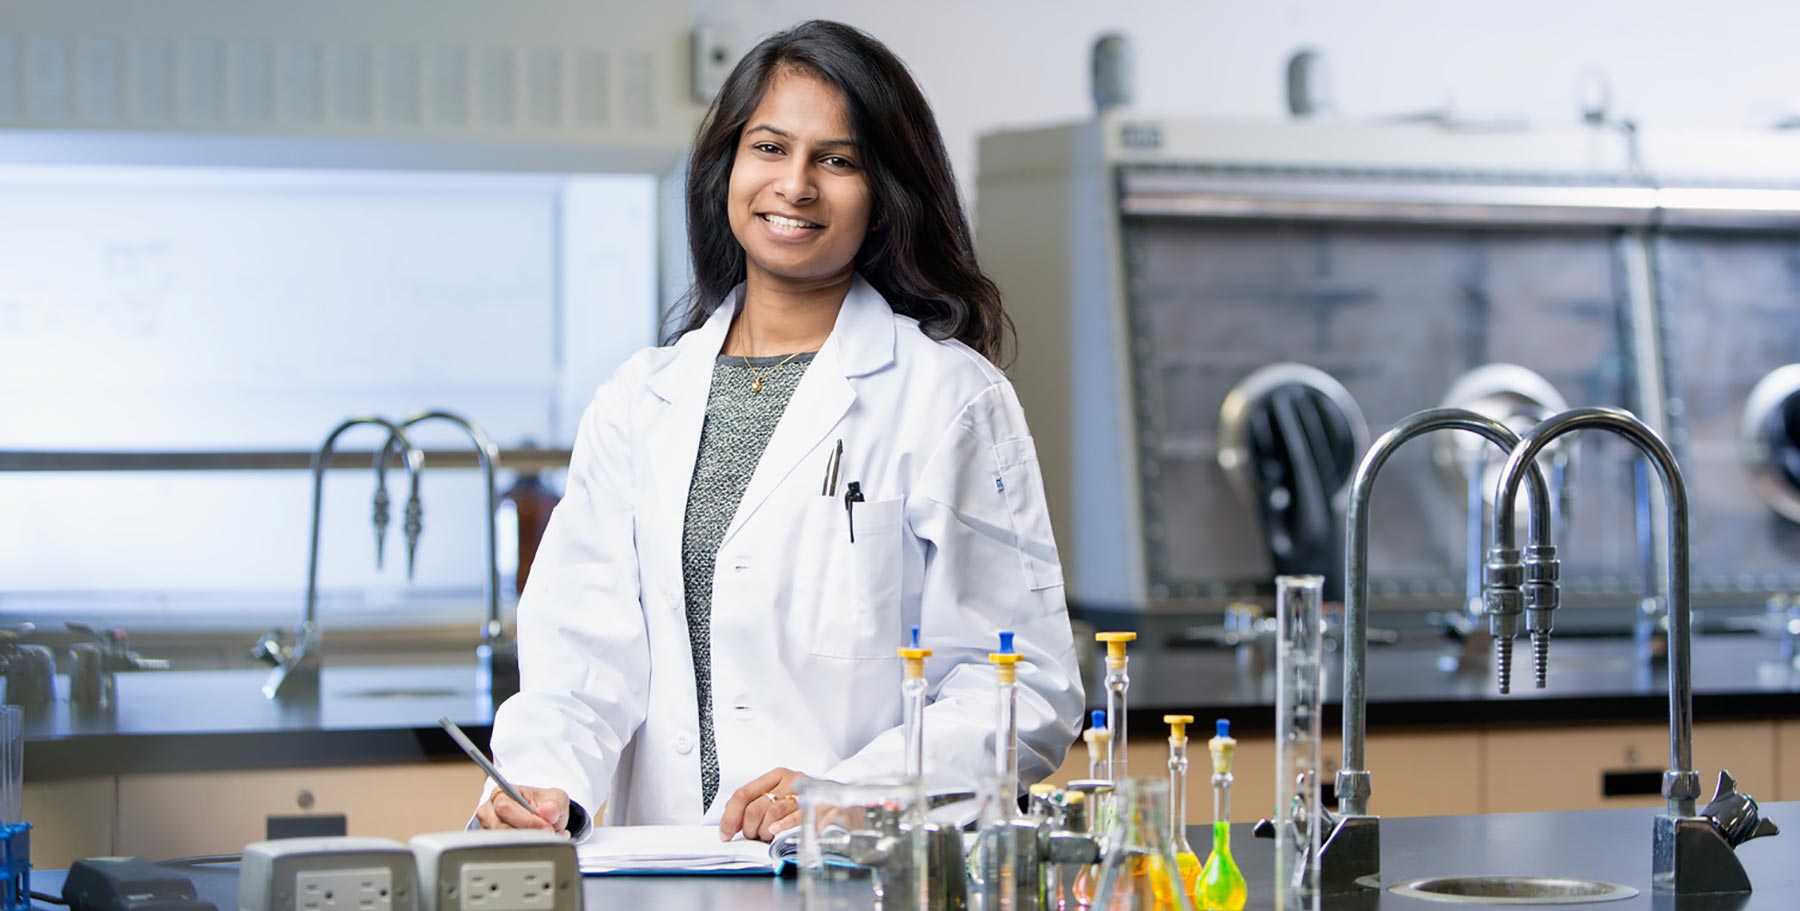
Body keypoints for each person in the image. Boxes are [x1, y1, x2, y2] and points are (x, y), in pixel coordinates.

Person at [475, 19, 1083, 843]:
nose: (794, 185)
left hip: (860, 866)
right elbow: (581, 655)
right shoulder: (639, 399)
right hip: (670, 870)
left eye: (837, 160)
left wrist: (849, 790)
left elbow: (1025, 684)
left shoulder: (948, 396)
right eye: (769, 147)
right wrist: (544, 785)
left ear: (884, 194)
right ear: (727, 165)